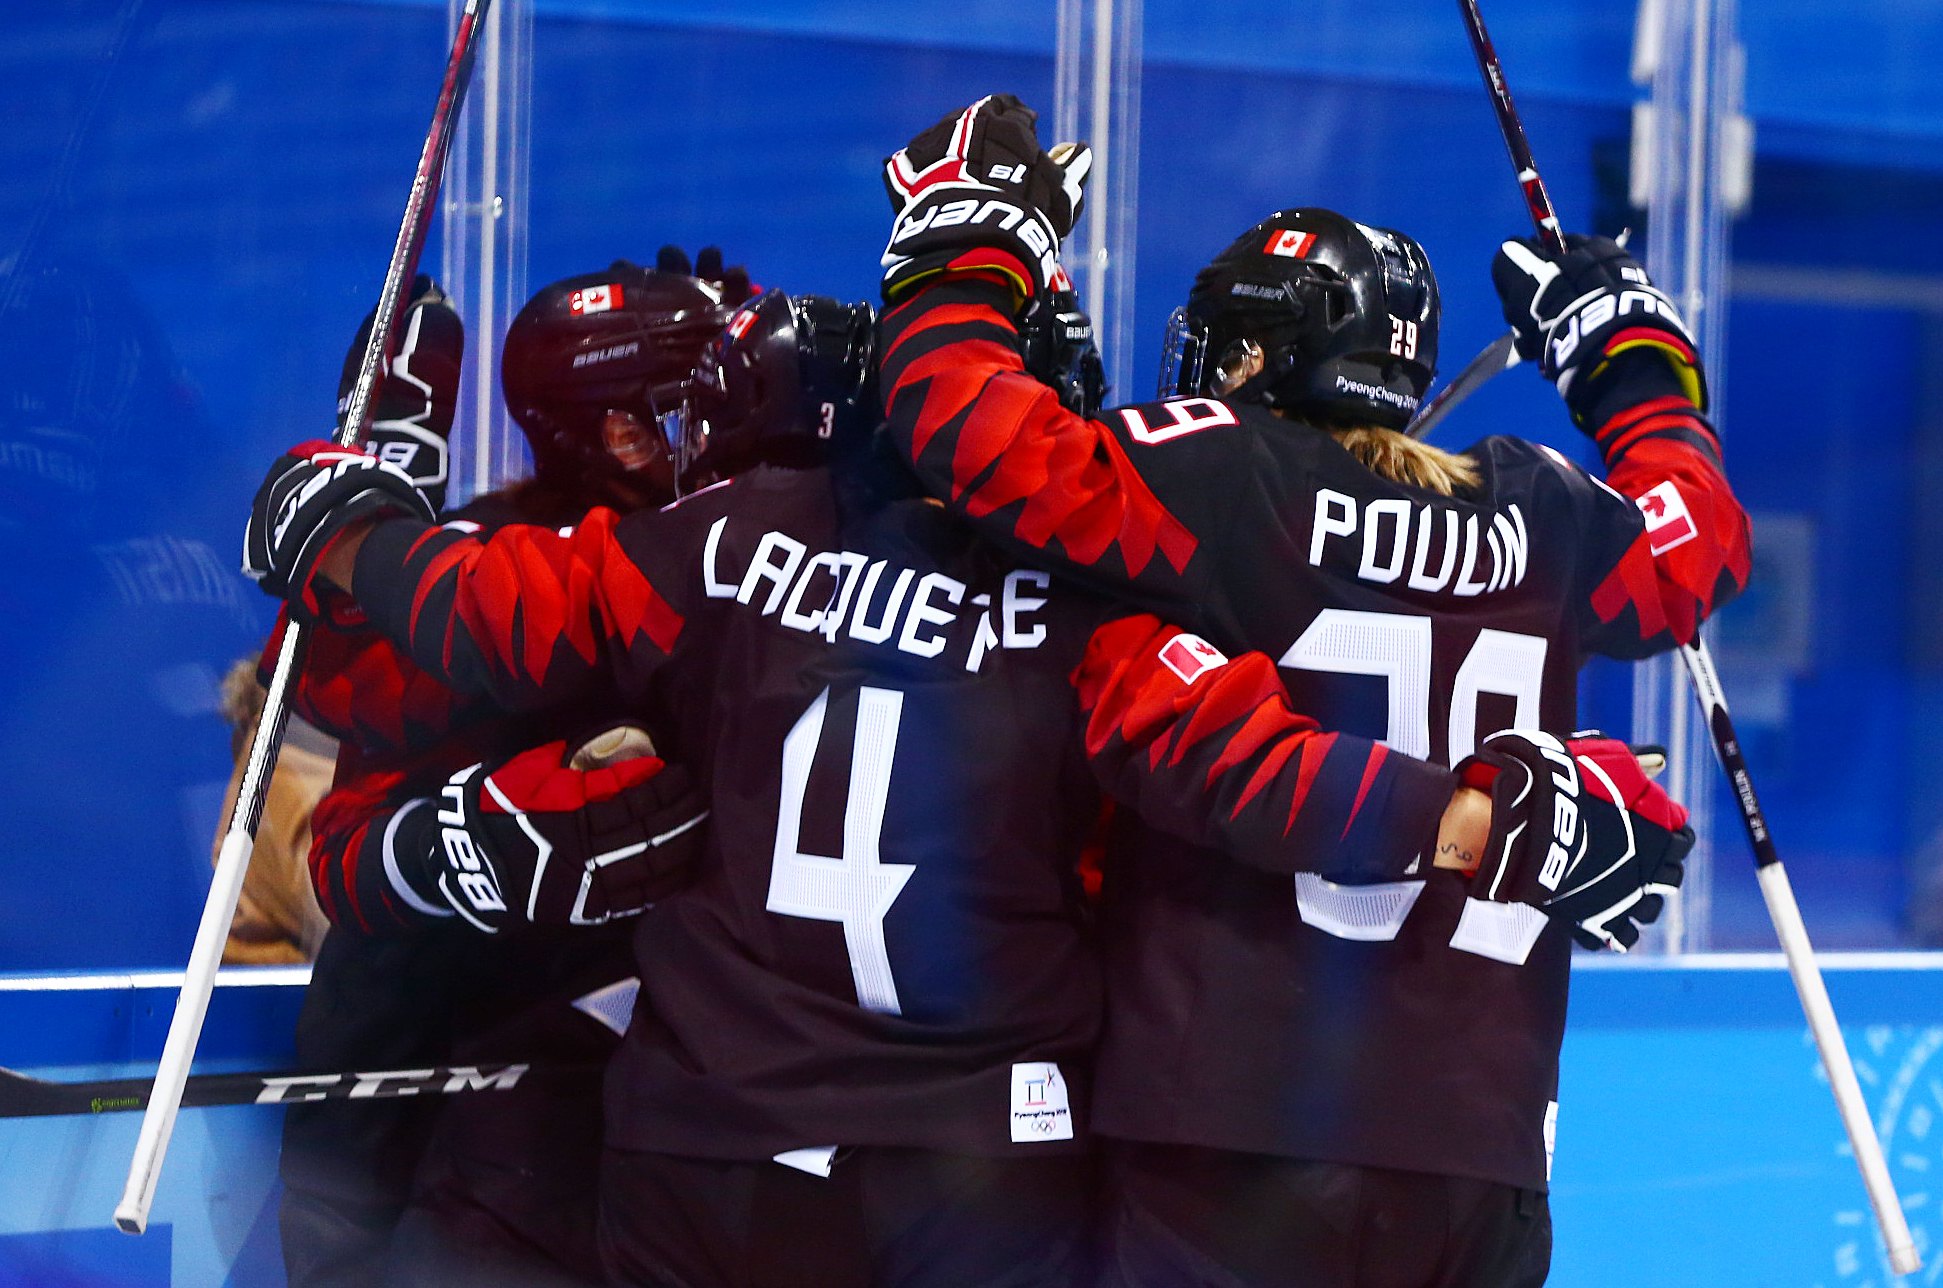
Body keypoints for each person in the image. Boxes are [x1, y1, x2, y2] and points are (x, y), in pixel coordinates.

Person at [232, 250, 1694, 1288]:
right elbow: (1215, 755)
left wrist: (356, 527)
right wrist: (1637, 367)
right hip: (1044, 1168)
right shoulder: (1130, 601)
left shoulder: (718, 542)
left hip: (750, 1154)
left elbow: (448, 641)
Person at [871, 95, 1750, 1286]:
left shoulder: (1218, 475)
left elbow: (972, 436)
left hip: (1234, 1138)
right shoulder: (1542, 508)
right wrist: (1631, 362)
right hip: (1479, 1155)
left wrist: (963, 245)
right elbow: (1691, 548)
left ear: (1252, 353)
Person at [271, 252, 741, 1288]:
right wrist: (464, 841)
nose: (730, 421)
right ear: (619, 432)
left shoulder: (731, 549)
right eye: (695, 400)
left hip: (582, 1124)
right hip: (406, 1100)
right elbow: (336, 819)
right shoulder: (497, 565)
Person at [212, 651, 333, 964]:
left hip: (273, 987)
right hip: (287, 996)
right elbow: (336, 911)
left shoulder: (277, 771)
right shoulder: (286, 784)